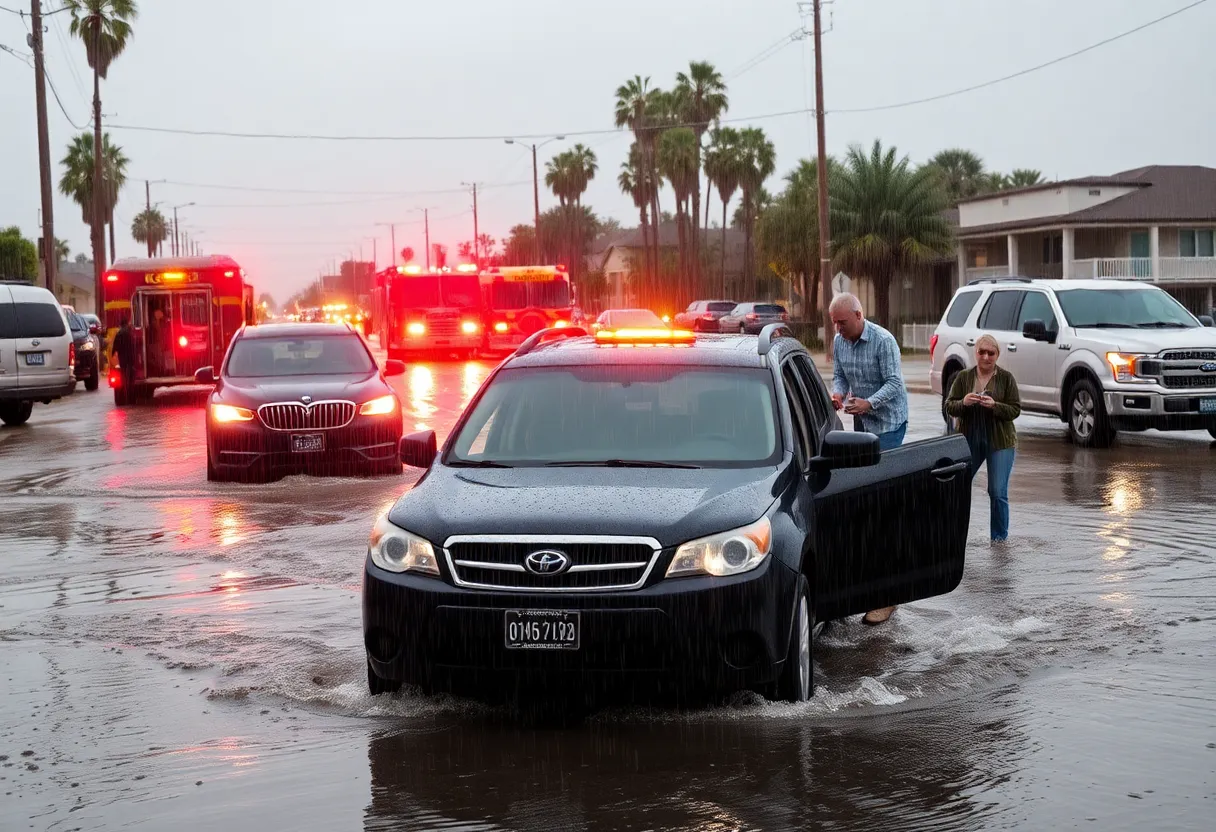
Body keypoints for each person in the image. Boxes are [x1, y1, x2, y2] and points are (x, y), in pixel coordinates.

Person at [828, 292, 909, 626]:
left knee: (880, 506)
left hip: (889, 424)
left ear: (858, 315)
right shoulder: (839, 341)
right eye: (835, 323)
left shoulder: (883, 341)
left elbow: (894, 383)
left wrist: (869, 403)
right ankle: (865, 585)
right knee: (864, 507)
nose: (838, 328)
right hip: (862, 426)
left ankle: (888, 595)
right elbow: (840, 375)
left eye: (842, 322)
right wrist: (837, 392)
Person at [944, 334, 1021, 543]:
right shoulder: (964, 377)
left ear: (997, 355)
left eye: (991, 353)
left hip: (1000, 441)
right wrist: (965, 402)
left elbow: (1015, 410)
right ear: (975, 353)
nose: (986, 357)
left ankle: (999, 539)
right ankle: (954, 533)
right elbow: (949, 405)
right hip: (970, 439)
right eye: (982, 352)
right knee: (957, 487)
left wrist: (995, 406)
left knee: (997, 491)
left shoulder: (1006, 378)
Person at [111, 316, 137, 394]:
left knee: (124, 372)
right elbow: (134, 343)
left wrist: (113, 353)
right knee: (131, 371)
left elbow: (115, 345)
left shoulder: (119, 333)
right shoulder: (130, 332)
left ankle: (125, 387)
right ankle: (131, 387)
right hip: (130, 355)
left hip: (122, 356)